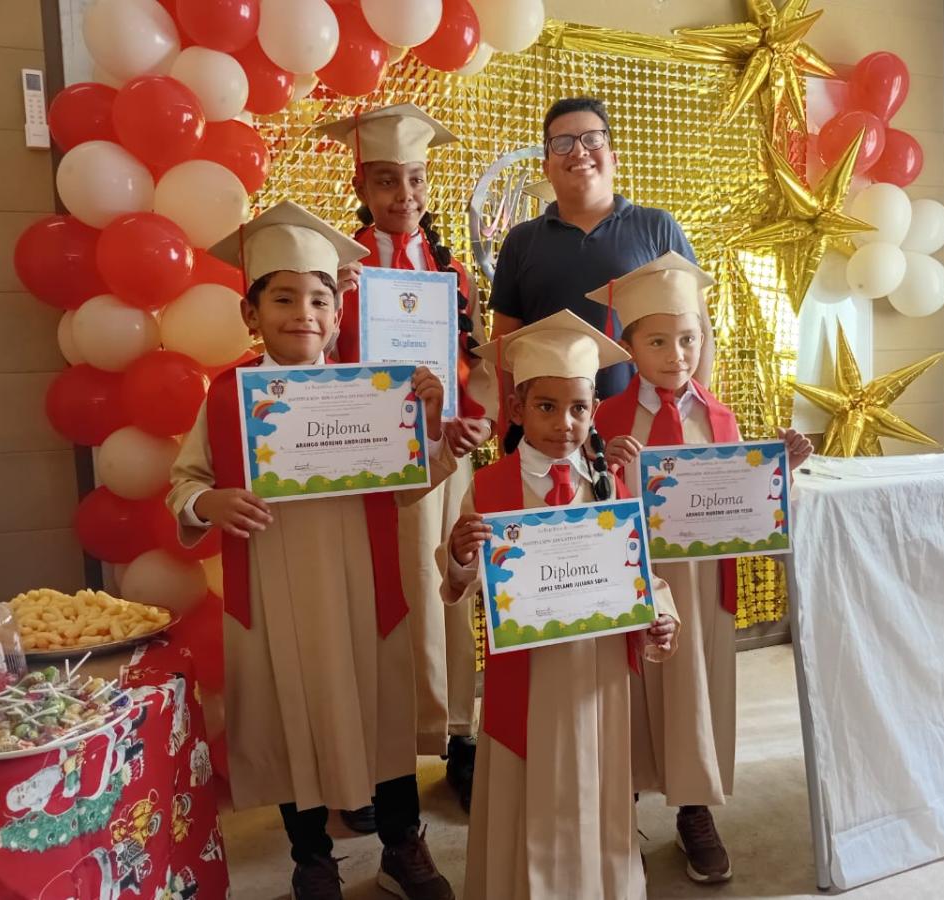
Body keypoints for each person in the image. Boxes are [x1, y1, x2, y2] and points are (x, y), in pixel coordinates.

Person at [167, 201, 457, 900]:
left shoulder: (374, 390)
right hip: (276, 589)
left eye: (319, 298)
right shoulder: (228, 394)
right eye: (284, 297)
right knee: (291, 718)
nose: (304, 311)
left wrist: (432, 425)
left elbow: (406, 491)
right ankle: (312, 857)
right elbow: (187, 481)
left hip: (365, 583)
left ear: (337, 312)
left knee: (381, 714)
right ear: (251, 314)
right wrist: (211, 503)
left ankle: (401, 845)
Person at [587, 252, 813, 884]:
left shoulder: (720, 419)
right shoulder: (604, 420)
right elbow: (579, 505)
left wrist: (778, 470)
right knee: (628, 692)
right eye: (658, 341)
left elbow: (743, 505)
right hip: (633, 580)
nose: (677, 354)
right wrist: (604, 467)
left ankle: (693, 810)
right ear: (630, 346)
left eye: (689, 339)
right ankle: (618, 809)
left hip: (705, 583)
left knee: (698, 692)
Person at [440, 309, 680, 899]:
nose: (565, 424)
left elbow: (639, 567)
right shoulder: (491, 485)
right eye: (546, 407)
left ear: (594, 410)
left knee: (596, 786)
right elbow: (459, 581)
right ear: (517, 410)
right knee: (531, 786)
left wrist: (661, 613)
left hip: (596, 672)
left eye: (579, 408)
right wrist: (462, 555)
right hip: (528, 675)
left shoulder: (608, 482)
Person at [319, 103, 496, 814]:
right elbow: (321, 367)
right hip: (374, 466)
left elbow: (477, 364)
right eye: (388, 180)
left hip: (448, 458)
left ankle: (458, 737)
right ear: (362, 184)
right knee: (381, 605)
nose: (405, 196)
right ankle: (373, 754)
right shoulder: (340, 268)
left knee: (450, 591)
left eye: (416, 179)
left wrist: (475, 423)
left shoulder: (452, 272)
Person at [488, 96, 714, 405]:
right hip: (550, 432)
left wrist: (694, 413)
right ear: (546, 166)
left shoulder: (657, 226)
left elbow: (699, 327)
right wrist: (505, 424)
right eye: (563, 143)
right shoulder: (521, 240)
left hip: (642, 427)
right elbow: (503, 349)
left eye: (592, 139)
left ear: (613, 156)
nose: (579, 151)